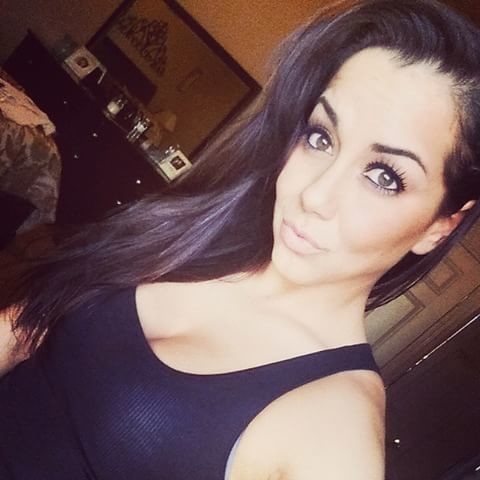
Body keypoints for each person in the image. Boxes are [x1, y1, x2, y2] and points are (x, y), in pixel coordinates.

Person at [1, 0, 480, 478]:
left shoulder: (335, 434)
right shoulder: (203, 233)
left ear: (440, 225)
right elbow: (25, 327)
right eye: (321, 137)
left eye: (383, 176)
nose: (314, 195)